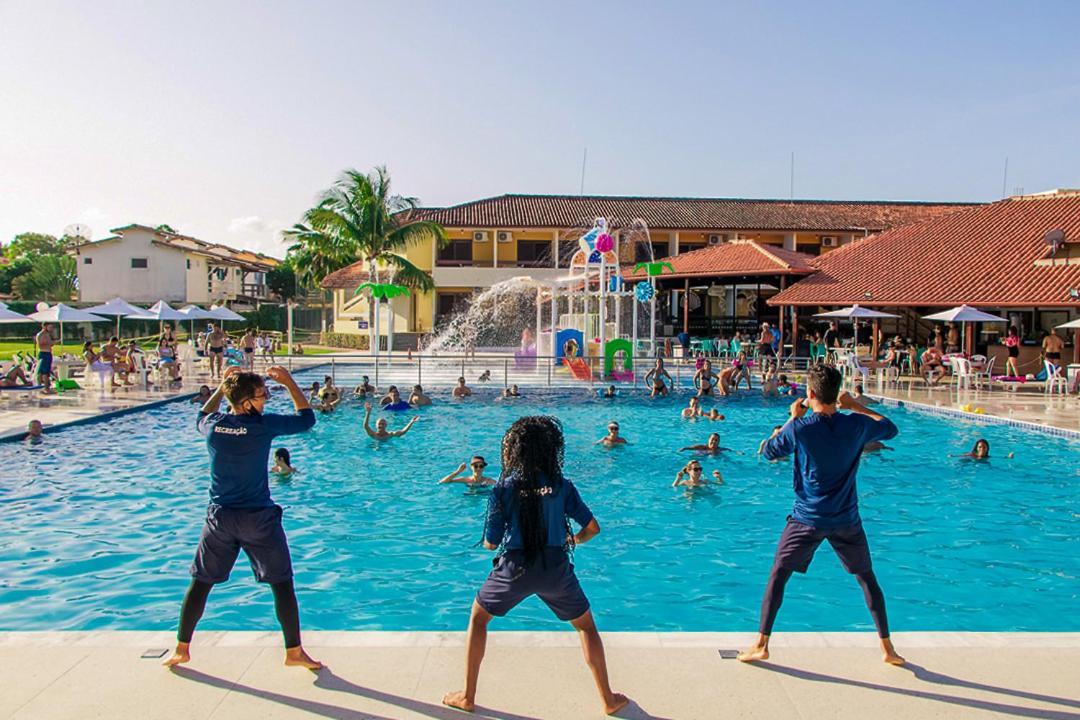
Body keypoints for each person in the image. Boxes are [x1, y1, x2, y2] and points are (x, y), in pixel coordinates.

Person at [442, 416, 628, 715]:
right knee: (586, 629)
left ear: (514, 451)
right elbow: (593, 528)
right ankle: (608, 699)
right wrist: (573, 540)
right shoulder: (561, 485)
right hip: (556, 568)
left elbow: (490, 543)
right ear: (549, 450)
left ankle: (467, 696)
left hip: (514, 568)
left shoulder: (502, 489)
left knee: (478, 620)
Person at [739, 365, 904, 666]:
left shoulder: (801, 428)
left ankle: (761, 644)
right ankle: (888, 649)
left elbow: (769, 452)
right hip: (846, 519)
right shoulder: (855, 424)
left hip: (807, 519)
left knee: (779, 574)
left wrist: (792, 417)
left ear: (810, 394)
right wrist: (856, 406)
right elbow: (891, 429)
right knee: (866, 578)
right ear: (836, 393)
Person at [163, 365, 321, 670]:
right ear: (247, 402)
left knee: (200, 583)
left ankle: (182, 649)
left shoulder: (213, 424)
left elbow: (199, 416)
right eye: (261, 396)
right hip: (258, 519)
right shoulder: (262, 425)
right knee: (282, 584)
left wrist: (222, 388)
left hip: (220, 520)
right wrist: (288, 381)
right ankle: (294, 652)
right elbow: (307, 419)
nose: (265, 400)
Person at [34, 323, 56, 394]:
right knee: (43, 372)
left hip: (48, 353)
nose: (51, 329)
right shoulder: (40, 334)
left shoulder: (47, 334)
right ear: (44, 326)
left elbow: (50, 343)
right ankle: (45, 389)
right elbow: (40, 344)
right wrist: (49, 342)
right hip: (43, 354)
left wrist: (51, 342)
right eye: (50, 327)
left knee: (46, 372)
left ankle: (44, 388)